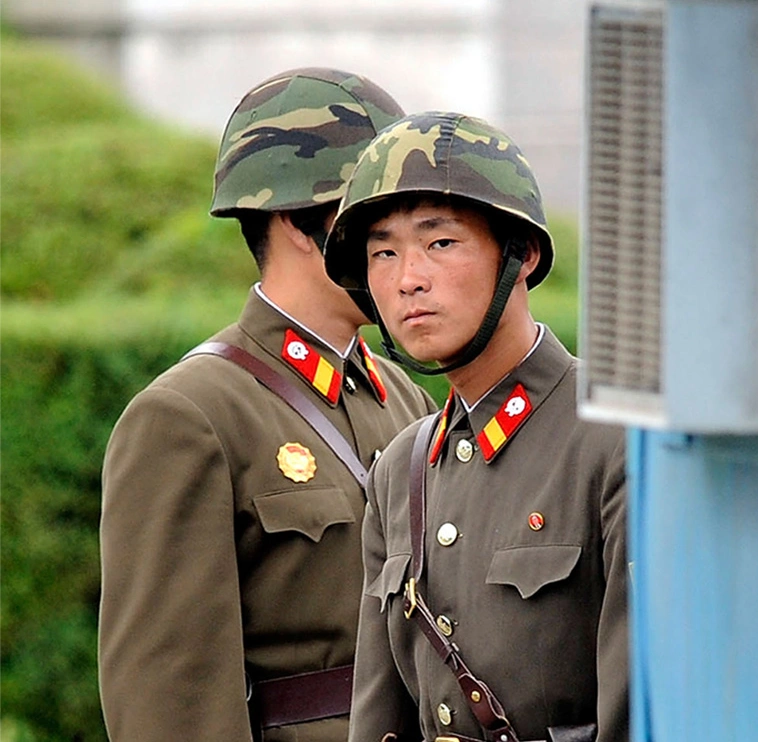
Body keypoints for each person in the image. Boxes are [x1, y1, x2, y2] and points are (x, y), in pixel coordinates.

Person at [98, 68, 440, 741]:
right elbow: (171, 699)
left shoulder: (403, 398)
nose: (399, 251)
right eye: (373, 218)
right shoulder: (190, 415)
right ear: (296, 219)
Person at [321, 111, 628, 742]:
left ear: (523, 253)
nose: (409, 279)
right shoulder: (399, 470)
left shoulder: (614, 435)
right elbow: (379, 717)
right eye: (384, 252)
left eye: (441, 243)